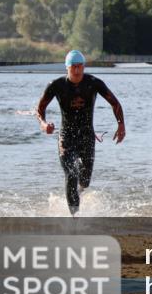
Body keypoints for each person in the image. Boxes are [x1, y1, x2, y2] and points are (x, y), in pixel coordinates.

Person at [36, 50, 126, 216]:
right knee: (71, 174)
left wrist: (121, 125)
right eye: (73, 67)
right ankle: (75, 218)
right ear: (67, 68)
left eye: (80, 66)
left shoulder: (93, 83)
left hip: (87, 137)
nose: (77, 70)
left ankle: (78, 193)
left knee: (85, 181)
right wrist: (43, 124)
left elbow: (115, 103)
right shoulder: (56, 85)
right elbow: (40, 108)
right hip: (66, 137)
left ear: (84, 67)